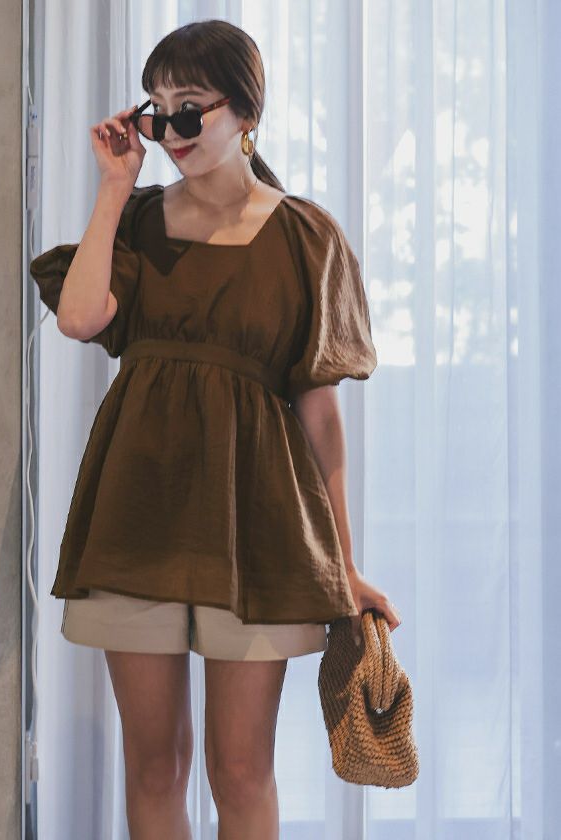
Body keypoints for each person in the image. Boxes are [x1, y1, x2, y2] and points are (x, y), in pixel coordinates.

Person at [30, 19, 401, 840]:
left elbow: (320, 416)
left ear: (245, 113)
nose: (170, 130)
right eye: (156, 111)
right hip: (138, 512)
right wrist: (114, 187)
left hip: (257, 525)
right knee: (154, 766)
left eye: (189, 109)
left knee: (240, 770)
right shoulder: (134, 220)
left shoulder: (305, 237)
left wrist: (343, 563)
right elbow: (80, 317)